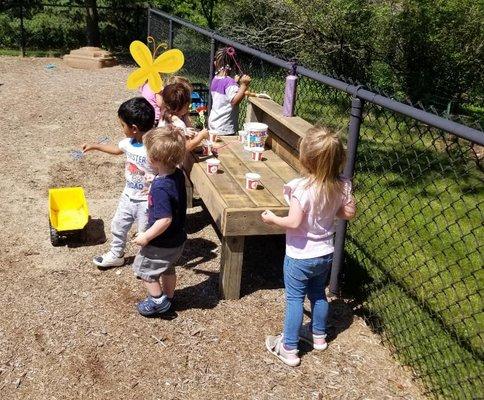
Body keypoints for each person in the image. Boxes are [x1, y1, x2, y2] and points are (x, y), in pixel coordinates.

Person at [261, 126, 356, 367]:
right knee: (318, 294)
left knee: (294, 299)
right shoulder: (342, 185)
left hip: (300, 255)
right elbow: (349, 212)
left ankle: (289, 348)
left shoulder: (300, 189)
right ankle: (318, 336)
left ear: (306, 160)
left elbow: (293, 222)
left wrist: (272, 219)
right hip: (325, 253)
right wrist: (331, 205)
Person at [82, 97, 156, 268]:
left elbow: (167, 168)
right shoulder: (129, 143)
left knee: (145, 232)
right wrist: (95, 146)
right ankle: (116, 254)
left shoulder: (154, 147)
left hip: (147, 201)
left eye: (123, 125)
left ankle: (145, 261)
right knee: (118, 224)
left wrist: (157, 181)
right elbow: (116, 150)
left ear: (134, 128)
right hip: (128, 195)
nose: (122, 129)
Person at [132, 126, 187, 316]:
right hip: (176, 239)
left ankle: (159, 303)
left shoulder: (161, 188)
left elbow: (164, 220)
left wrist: (146, 237)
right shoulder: (176, 174)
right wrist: (153, 182)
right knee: (168, 268)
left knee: (145, 270)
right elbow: (172, 196)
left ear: (154, 159)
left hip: (161, 242)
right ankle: (169, 297)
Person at [208, 47, 251, 135]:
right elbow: (234, 101)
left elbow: (224, 95)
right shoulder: (229, 82)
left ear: (216, 64)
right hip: (225, 127)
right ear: (233, 65)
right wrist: (243, 85)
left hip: (214, 122)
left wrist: (235, 83)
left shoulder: (215, 79)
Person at [158, 83, 208, 151]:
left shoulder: (164, 116)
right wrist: (201, 136)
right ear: (185, 105)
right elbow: (186, 147)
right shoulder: (179, 124)